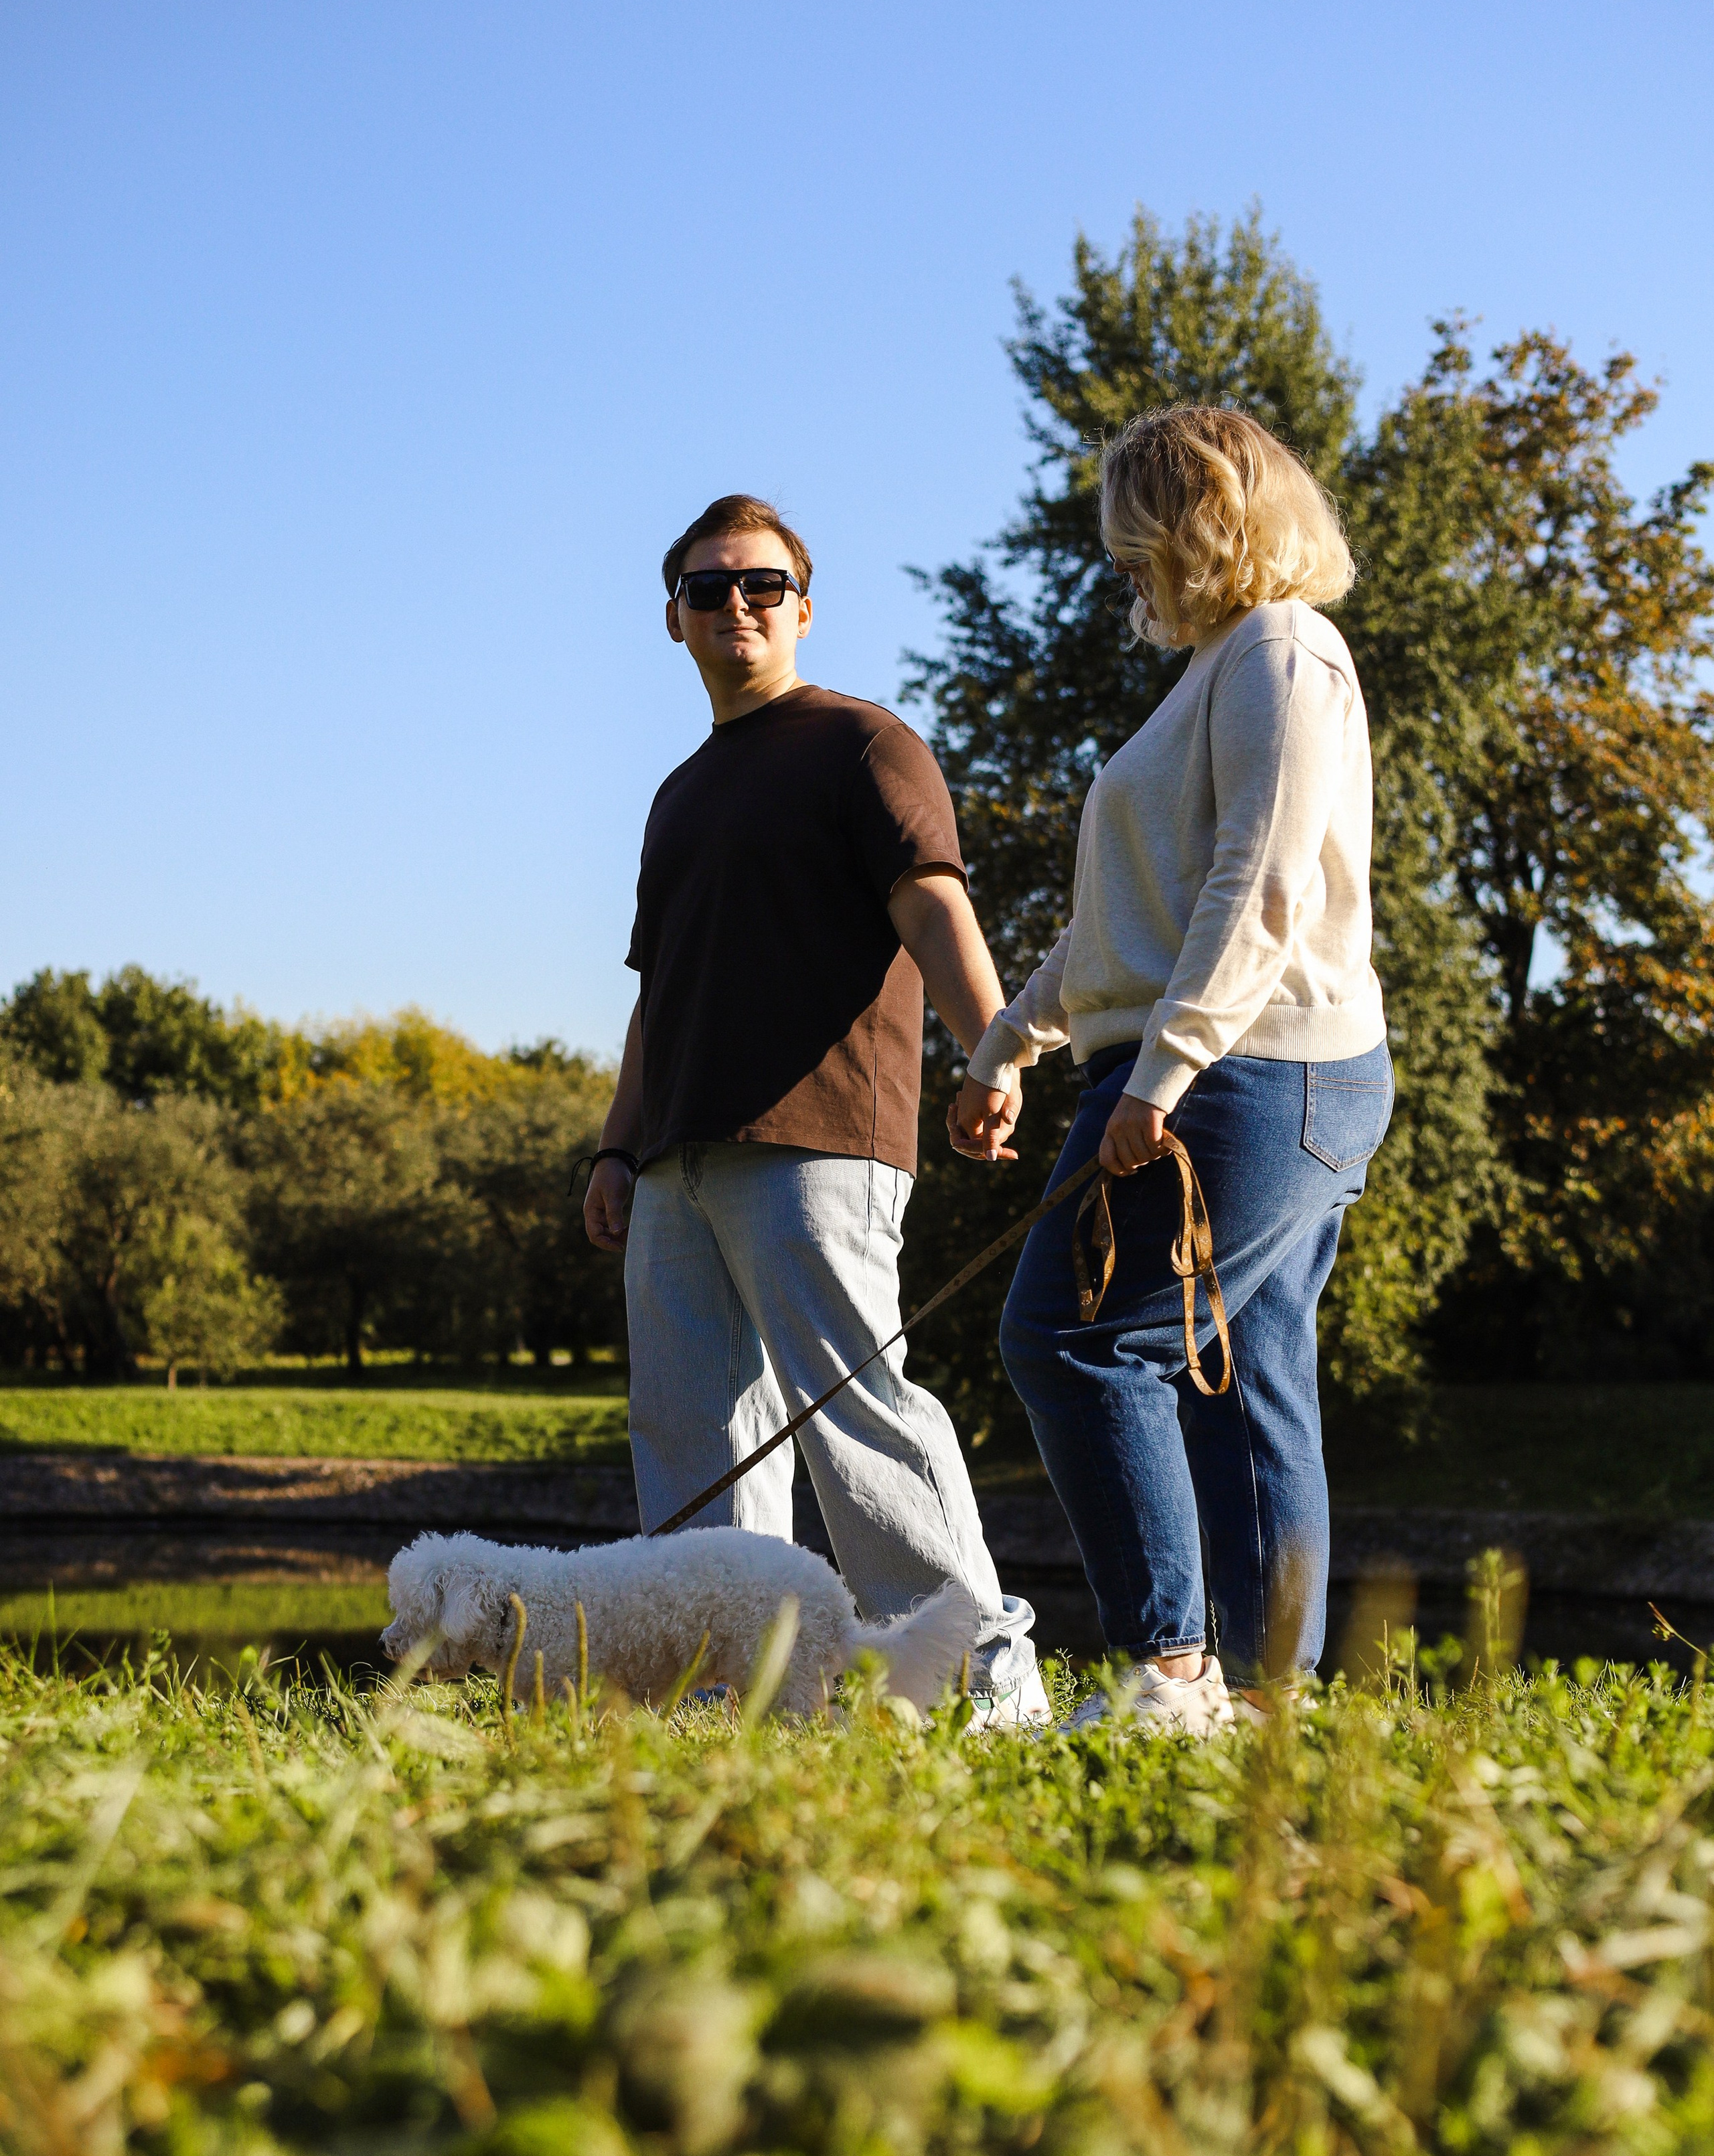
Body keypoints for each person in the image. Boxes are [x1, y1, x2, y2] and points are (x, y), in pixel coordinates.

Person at [955, 407, 1393, 1725]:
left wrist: (1157, 1079)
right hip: (1243, 1069)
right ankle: (1263, 1701)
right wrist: (1005, 1044)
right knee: (1246, 1374)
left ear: (1191, 522)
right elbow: (1120, 930)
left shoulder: (1279, 652)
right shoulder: (1217, 671)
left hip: (1246, 1072)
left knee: (1073, 1341)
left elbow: (1253, 887)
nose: (1121, 571)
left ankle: (1171, 1670)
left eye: (1131, 542)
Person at [585, 492, 1048, 1727]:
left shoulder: (862, 745)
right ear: (672, 617)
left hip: (820, 1142)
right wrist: (618, 1146)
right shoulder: (678, 796)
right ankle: (733, 1697)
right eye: (708, 588)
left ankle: (982, 1691)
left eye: (762, 587)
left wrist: (994, 1049)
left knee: (855, 1413)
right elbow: (656, 993)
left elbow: (933, 905)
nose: (736, 605)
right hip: (676, 1158)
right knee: (688, 1439)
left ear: (802, 607)